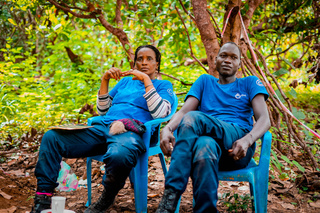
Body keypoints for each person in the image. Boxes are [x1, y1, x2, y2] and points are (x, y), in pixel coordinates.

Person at [31, 45, 175, 213]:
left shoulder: (163, 85)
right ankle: (43, 198)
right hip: (102, 128)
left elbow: (160, 114)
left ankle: (106, 198)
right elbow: (103, 110)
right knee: (52, 137)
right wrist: (105, 80)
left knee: (119, 155)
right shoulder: (125, 82)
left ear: (157, 64)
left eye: (149, 59)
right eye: (139, 59)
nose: (144, 63)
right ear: (134, 62)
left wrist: (146, 81)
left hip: (130, 132)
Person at [156, 42, 270, 213]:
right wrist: (167, 129)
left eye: (233, 57)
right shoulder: (204, 81)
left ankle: (171, 193)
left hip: (237, 146)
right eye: (223, 56)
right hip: (211, 151)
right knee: (204, 144)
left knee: (194, 118)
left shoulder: (250, 83)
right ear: (215, 60)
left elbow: (265, 119)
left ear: (239, 64)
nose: (227, 60)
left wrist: (247, 140)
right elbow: (184, 111)